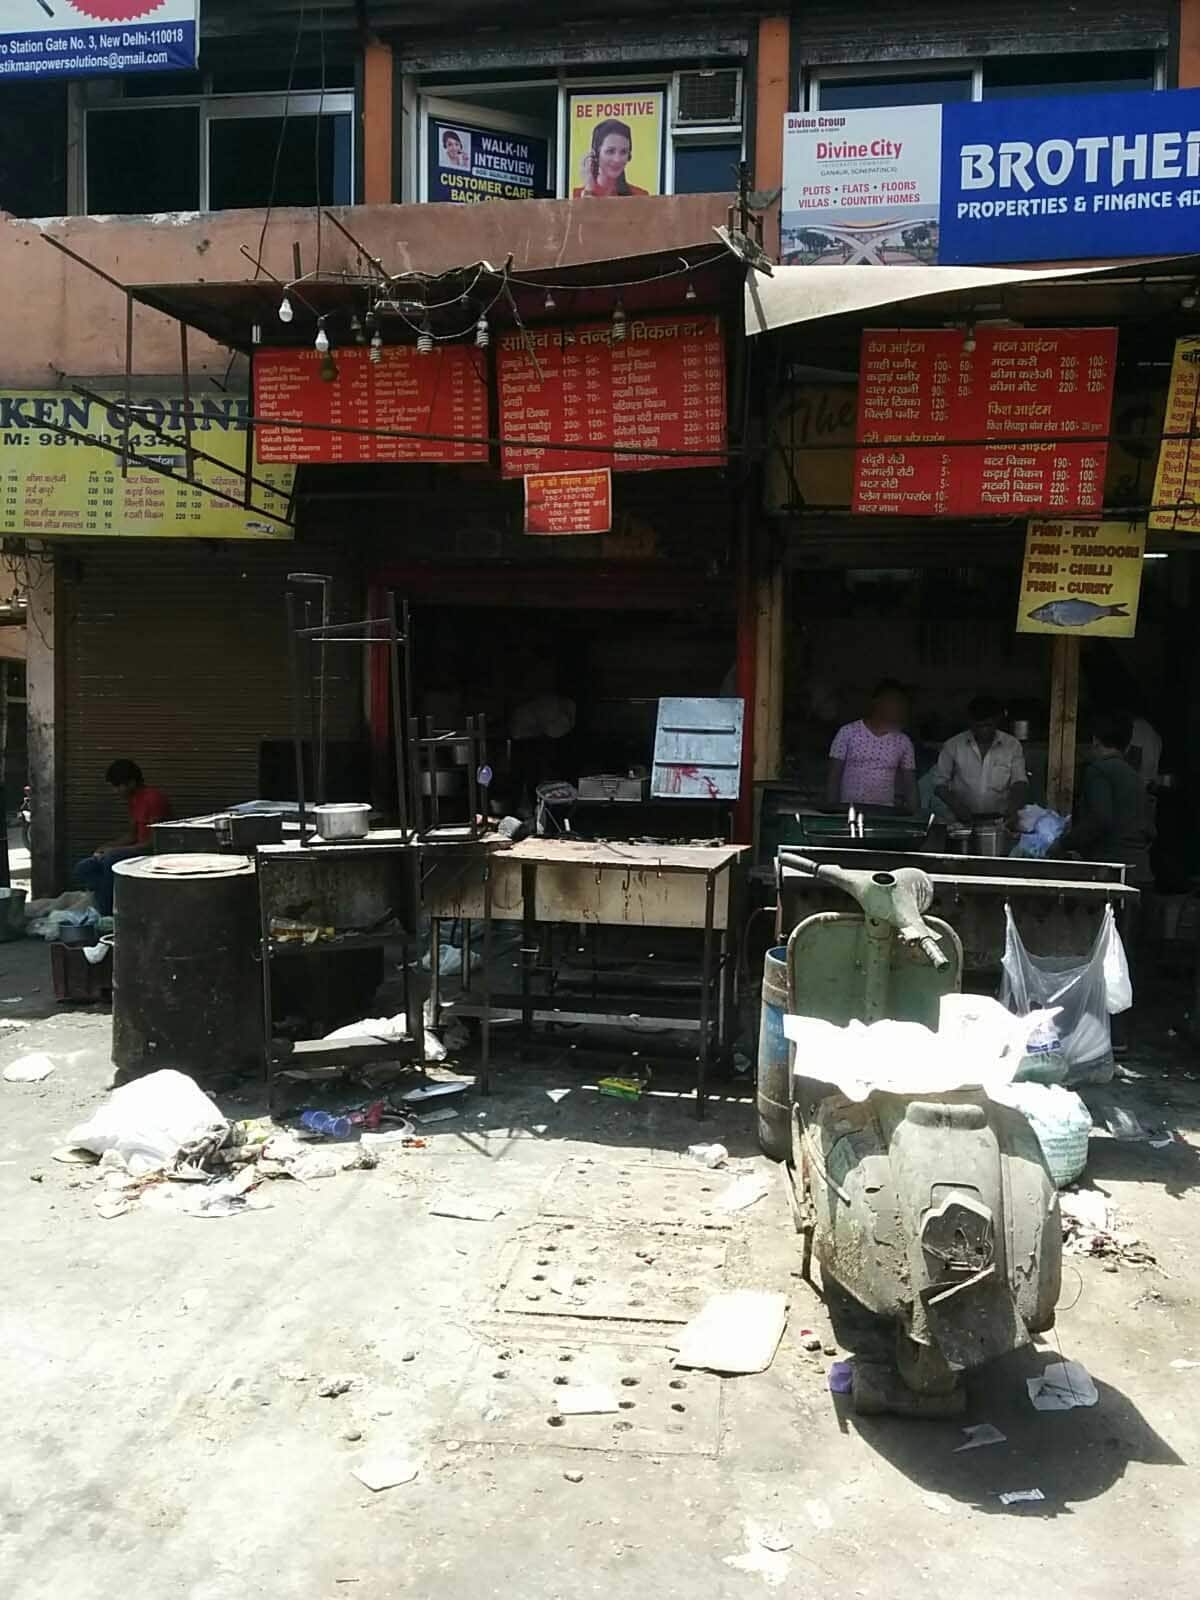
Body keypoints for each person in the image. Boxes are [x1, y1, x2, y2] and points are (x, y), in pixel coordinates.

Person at [74, 760, 170, 916]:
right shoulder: (134, 801)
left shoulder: (154, 799)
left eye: (118, 786)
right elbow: (131, 835)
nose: (115, 791)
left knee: (110, 859)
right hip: (136, 850)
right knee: (84, 867)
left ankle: (107, 913)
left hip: (152, 852)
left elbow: (154, 843)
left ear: (131, 783)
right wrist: (107, 847)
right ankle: (107, 900)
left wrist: (114, 851)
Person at [1059, 711, 1144, 870]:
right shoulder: (1136, 777)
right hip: (1139, 866)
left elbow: (1099, 820)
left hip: (1110, 866)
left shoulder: (1099, 771)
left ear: (1096, 741)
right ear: (1127, 746)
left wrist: (1062, 844)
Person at [933, 694, 1028, 827]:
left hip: (999, 821)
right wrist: (957, 806)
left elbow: (1019, 782)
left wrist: (1013, 809)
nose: (984, 731)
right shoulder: (953, 745)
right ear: (970, 722)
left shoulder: (1012, 745)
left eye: (988, 725)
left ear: (997, 721)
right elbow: (939, 784)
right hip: (959, 822)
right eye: (978, 726)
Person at [825, 680, 917, 813]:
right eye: (892, 701)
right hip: (849, 811)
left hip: (885, 814)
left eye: (900, 703)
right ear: (877, 702)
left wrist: (916, 817)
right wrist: (832, 812)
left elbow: (910, 785)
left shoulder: (903, 742)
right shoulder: (847, 732)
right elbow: (833, 777)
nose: (897, 707)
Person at [574, 118, 649, 198]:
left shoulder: (640, 196)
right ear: (595, 154)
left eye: (623, 152)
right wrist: (588, 190)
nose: (617, 159)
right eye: (610, 151)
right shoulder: (576, 195)